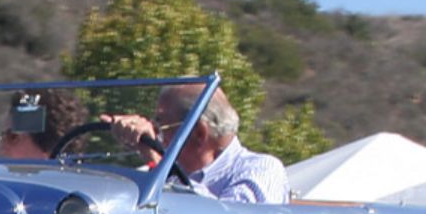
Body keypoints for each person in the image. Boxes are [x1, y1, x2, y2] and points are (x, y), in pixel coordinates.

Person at [100, 82, 290, 203]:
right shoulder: (166, 176)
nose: (154, 132)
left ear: (199, 132)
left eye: (161, 123)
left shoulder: (262, 169)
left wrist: (159, 163)